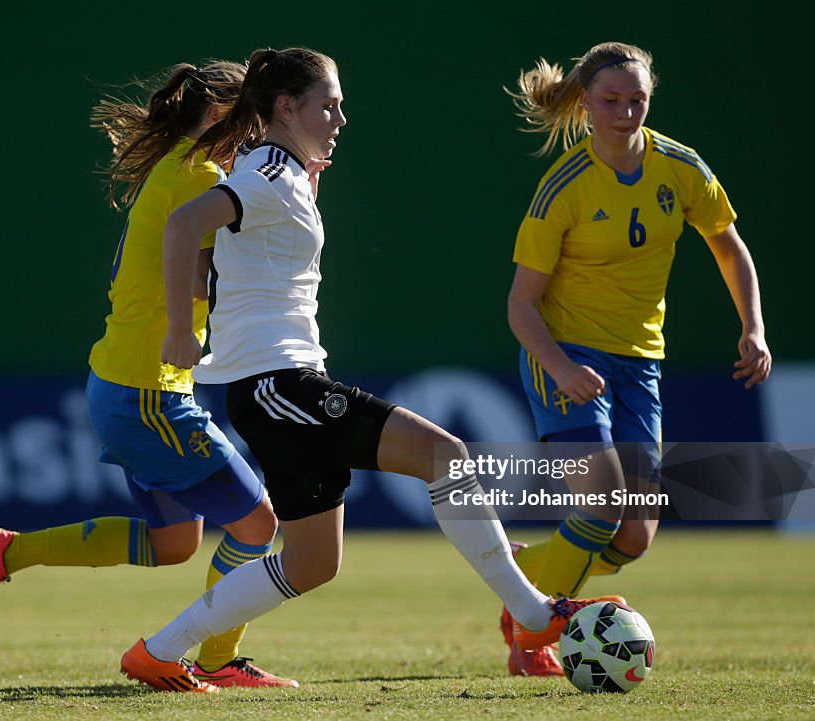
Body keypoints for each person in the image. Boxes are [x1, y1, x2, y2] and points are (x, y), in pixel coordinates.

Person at [108, 46, 622, 692]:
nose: (341, 117)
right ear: (286, 107)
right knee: (447, 454)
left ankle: (157, 650)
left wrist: (300, 183)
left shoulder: (279, 171)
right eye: (329, 104)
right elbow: (184, 224)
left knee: (312, 563)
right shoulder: (266, 171)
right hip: (278, 387)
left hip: (274, 388)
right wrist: (183, 331)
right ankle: (533, 614)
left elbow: (245, 251)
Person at [0, 60, 298, 691]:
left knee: (175, 544)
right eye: (250, 110)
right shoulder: (202, 174)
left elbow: (204, 273)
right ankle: (217, 660)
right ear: (223, 113)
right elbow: (218, 273)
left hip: (122, 384)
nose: (259, 125)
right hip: (149, 393)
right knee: (259, 527)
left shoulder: (180, 168)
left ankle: (9, 551)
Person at [498, 41, 772, 676]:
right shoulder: (563, 185)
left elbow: (729, 248)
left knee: (633, 536)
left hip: (639, 363)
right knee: (599, 501)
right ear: (587, 104)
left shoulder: (681, 168)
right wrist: (562, 368)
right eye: (610, 101)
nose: (625, 113)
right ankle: (529, 638)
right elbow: (520, 305)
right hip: (563, 356)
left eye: (637, 100)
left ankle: (521, 572)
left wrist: (753, 328)